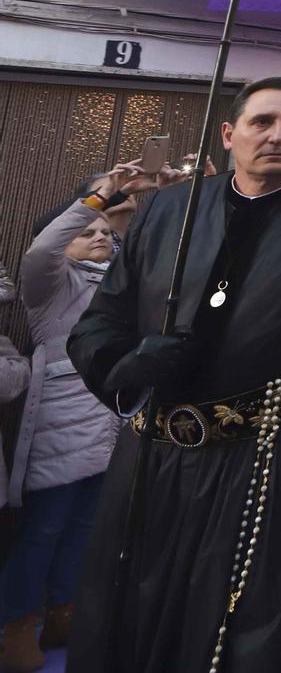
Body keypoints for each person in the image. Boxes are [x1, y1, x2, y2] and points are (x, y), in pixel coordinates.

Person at [66, 78, 281, 673]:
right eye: (262, 121)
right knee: (129, 617)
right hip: (150, 461)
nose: (278, 135)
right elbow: (100, 321)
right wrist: (127, 365)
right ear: (229, 135)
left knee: (245, 632)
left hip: (270, 462)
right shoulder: (170, 208)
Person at [1, 164, 181, 672]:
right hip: (63, 420)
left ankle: (64, 612)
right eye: (88, 232)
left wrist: (181, 193)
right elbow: (41, 250)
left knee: (87, 525)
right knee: (43, 528)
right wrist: (101, 196)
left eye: (106, 232)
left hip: (113, 415)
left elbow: (159, 248)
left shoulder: (120, 279)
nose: (101, 236)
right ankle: (16, 627)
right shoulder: (49, 283)